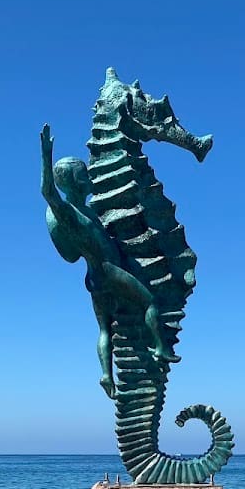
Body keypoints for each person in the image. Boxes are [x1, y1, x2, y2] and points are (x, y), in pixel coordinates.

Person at [40, 124, 177, 398]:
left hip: (93, 278)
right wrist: (46, 158)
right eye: (85, 176)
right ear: (78, 183)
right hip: (107, 271)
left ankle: (106, 375)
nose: (90, 180)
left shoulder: (85, 211)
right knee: (149, 301)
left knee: (104, 329)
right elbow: (48, 193)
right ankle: (160, 347)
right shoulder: (69, 214)